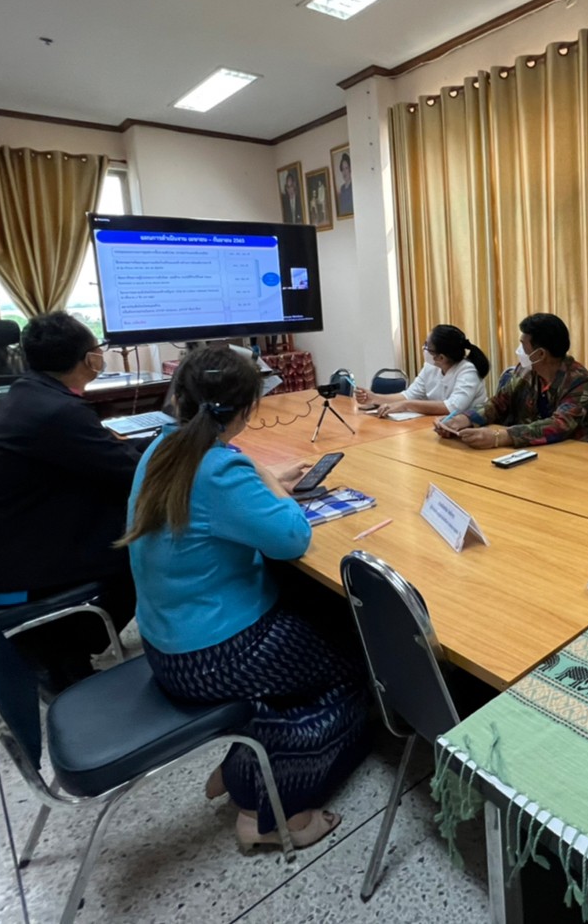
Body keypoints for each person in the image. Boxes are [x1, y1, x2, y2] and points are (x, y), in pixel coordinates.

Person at [121, 346, 368, 851]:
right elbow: (293, 537)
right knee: (357, 672)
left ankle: (244, 764)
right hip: (217, 653)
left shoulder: (162, 448)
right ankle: (274, 807)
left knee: (314, 628)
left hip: (168, 640)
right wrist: (271, 488)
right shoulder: (219, 470)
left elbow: (210, 508)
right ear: (242, 410)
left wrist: (258, 480)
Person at [0, 311, 141, 690]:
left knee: (123, 512)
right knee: (142, 537)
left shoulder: (31, 395)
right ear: (90, 359)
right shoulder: (57, 412)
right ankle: (61, 657)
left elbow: (104, 458)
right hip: (3, 570)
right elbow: (131, 472)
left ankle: (55, 646)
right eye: (97, 348)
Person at [436, 312, 588, 448]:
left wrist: (500, 437)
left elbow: (559, 425)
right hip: (530, 453)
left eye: (523, 345)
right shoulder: (525, 371)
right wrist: (465, 419)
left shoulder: (579, 381)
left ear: (541, 354)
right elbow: (499, 403)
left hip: (572, 457)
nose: (519, 351)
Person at [354, 324, 489, 417]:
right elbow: (409, 395)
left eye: (426, 346)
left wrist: (406, 405)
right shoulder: (431, 367)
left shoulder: (468, 371)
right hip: (438, 426)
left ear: (440, 357)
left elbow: (452, 408)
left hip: (469, 428)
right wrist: (375, 398)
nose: (423, 348)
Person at [335, 150, 353, 218]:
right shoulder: (342, 188)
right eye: (342, 169)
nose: (344, 172)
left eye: (346, 168)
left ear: (350, 169)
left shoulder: (353, 187)